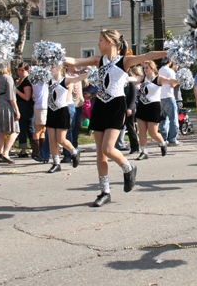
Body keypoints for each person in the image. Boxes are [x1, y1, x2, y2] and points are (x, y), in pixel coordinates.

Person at [63, 30, 166, 207]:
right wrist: (54, 57)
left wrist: (168, 52)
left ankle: (128, 167)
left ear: (110, 41)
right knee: (100, 153)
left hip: (116, 106)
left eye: (100, 41)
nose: (98, 44)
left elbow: (147, 55)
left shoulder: (124, 60)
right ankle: (105, 191)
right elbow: (73, 61)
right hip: (101, 106)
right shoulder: (98, 60)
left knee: (108, 148)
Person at [131, 60, 178, 159]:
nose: (145, 70)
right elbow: (134, 79)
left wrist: (180, 80)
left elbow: (170, 80)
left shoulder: (158, 79)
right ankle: (144, 152)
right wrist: (122, 77)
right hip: (142, 106)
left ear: (152, 68)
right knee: (141, 131)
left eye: (147, 67)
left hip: (154, 106)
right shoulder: (142, 78)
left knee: (153, 133)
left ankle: (162, 143)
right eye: (144, 68)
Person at [45, 63, 85, 173]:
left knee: (61, 139)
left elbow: (78, 78)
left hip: (62, 111)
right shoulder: (48, 81)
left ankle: (74, 152)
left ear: (58, 68)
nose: (50, 69)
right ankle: (56, 163)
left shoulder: (65, 80)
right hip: (51, 111)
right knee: (52, 139)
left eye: (52, 67)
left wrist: (89, 72)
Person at [0, 66, 20, 164]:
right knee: (15, 130)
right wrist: (17, 110)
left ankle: (0, 154)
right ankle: (6, 153)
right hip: (5, 104)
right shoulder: (7, 77)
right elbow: (11, 96)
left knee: (1, 131)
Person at [158, 58, 180, 145]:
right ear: (169, 62)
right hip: (169, 96)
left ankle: (163, 138)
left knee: (164, 119)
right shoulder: (170, 71)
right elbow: (172, 84)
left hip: (160, 97)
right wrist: (178, 81)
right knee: (173, 119)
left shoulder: (159, 71)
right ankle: (173, 139)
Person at [14, 63, 34, 158]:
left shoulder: (27, 81)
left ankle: (33, 147)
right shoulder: (20, 81)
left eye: (23, 70)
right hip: (21, 106)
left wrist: (16, 91)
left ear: (27, 70)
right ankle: (24, 149)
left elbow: (27, 97)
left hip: (26, 106)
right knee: (23, 127)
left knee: (27, 127)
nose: (20, 72)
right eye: (19, 70)